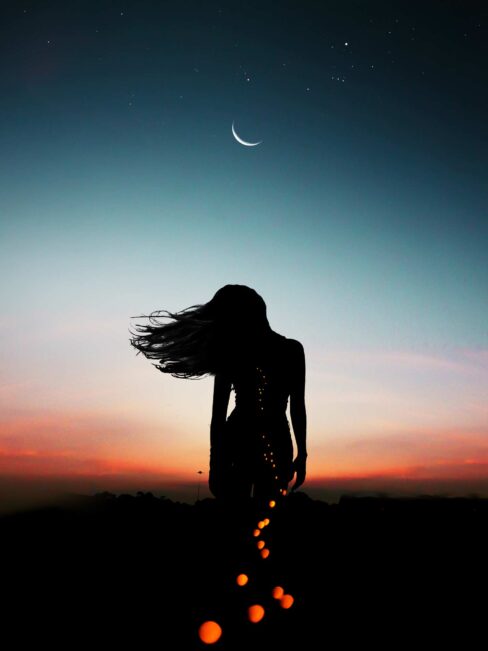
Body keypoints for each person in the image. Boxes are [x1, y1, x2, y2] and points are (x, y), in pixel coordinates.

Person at [129, 284, 307, 501]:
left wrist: (215, 464)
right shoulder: (289, 350)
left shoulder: (237, 352)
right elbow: (297, 407)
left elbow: (219, 416)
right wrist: (302, 454)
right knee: (261, 515)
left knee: (245, 515)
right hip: (267, 440)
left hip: (245, 440)